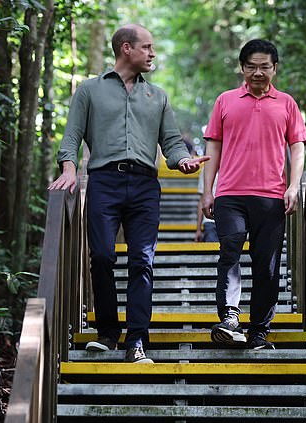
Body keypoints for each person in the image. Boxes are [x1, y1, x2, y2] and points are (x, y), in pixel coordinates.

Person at [48, 24, 208, 363]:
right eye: (147, 47)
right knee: (103, 255)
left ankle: (137, 340)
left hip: (145, 187)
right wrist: (68, 167)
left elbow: (172, 143)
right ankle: (107, 332)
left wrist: (183, 162)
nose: (152, 54)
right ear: (126, 48)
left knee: (142, 260)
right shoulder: (90, 90)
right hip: (104, 182)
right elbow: (71, 136)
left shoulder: (158, 96)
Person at [201, 39, 306, 350]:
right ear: (242, 68)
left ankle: (259, 331)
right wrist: (207, 191)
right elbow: (213, 146)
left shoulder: (287, 103)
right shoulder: (225, 100)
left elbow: (297, 147)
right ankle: (230, 318)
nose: (258, 72)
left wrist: (294, 185)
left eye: (264, 66)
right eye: (251, 66)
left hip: (271, 196)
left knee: (267, 264)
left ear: (274, 68)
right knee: (230, 252)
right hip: (230, 193)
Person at [194, 161, 218, 242]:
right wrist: (198, 229)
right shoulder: (206, 170)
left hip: (230, 219)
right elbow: (202, 200)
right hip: (210, 221)